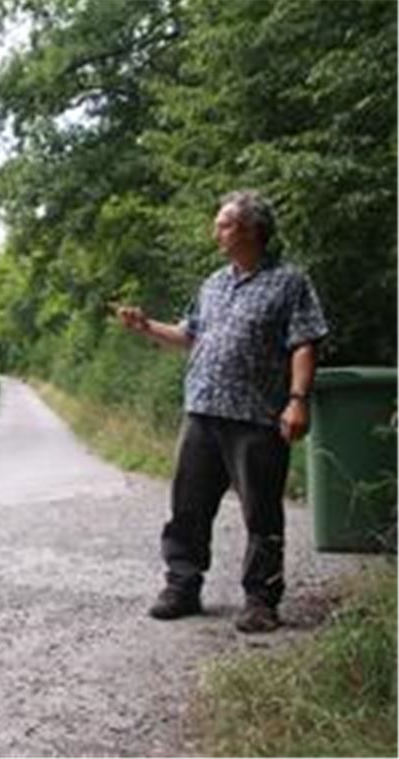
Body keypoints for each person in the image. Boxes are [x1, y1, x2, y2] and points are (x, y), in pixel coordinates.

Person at [117, 190, 328, 634]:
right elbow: (189, 334)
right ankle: (182, 585)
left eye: (224, 224)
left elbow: (304, 342)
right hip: (202, 412)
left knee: (261, 511)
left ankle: (260, 600)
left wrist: (297, 400)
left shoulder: (289, 282)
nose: (216, 231)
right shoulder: (213, 283)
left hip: (256, 416)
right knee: (188, 507)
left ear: (252, 230)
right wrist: (144, 326)